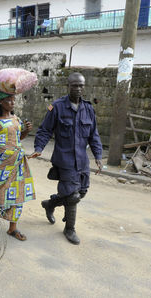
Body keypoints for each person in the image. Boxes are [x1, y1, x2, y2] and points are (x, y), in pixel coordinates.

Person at [30, 72, 103, 245]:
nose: (78, 89)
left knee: (81, 192)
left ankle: (50, 204)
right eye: (74, 85)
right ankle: (69, 229)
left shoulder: (88, 109)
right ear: (68, 86)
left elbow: (94, 135)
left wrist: (98, 156)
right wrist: (38, 148)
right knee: (72, 195)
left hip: (82, 161)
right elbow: (45, 130)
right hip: (64, 160)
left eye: (81, 85)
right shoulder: (57, 107)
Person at [0, 92, 35, 238]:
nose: (12, 102)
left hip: (17, 164)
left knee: (17, 195)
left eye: (13, 99)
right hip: (0, 166)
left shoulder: (16, 119)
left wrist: (26, 131)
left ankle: (12, 228)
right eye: (8, 100)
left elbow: (19, 138)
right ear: (0, 103)